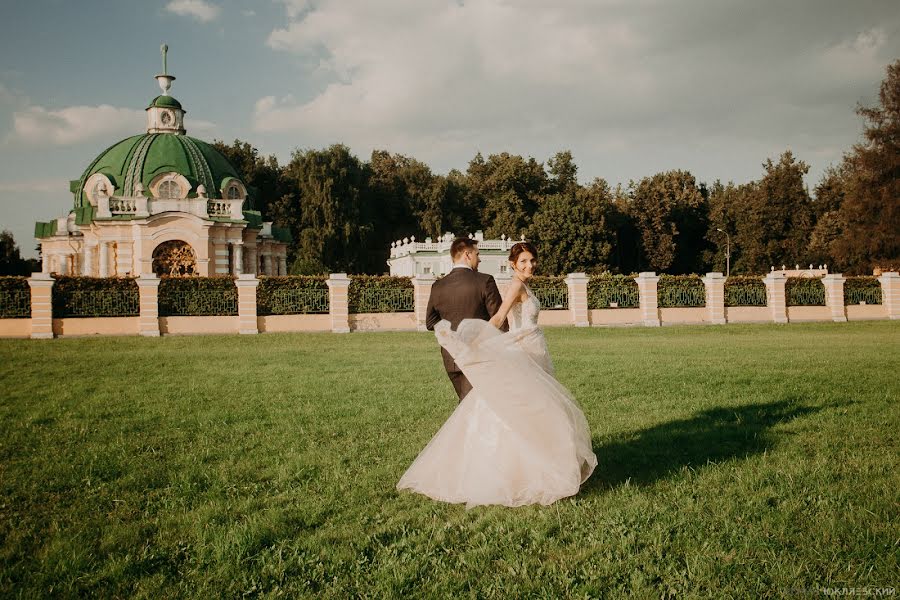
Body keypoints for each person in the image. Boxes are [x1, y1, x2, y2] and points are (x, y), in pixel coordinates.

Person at [398, 242, 597, 508]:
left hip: (534, 350)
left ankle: (541, 462)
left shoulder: (520, 285)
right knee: (526, 409)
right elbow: (498, 319)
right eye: (524, 261)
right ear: (513, 264)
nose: (530, 265)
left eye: (532, 260)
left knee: (534, 409)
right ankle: (519, 469)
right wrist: (476, 341)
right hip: (524, 349)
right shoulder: (515, 285)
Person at [424, 237, 504, 401]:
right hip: (479, 355)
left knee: (467, 405)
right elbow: (499, 320)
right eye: (477, 254)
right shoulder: (485, 281)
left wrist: (452, 335)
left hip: (451, 357)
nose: (479, 258)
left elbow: (430, 322)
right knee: (478, 408)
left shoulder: (438, 286)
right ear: (467, 254)